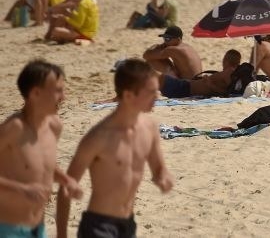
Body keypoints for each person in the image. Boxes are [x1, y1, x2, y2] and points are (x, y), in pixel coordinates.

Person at [57, 59, 173, 238]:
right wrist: (61, 235)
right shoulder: (98, 137)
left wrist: (163, 177)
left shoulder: (150, 128)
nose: (157, 96)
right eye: (151, 92)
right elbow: (66, 188)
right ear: (128, 96)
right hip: (99, 227)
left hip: (128, 225)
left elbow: (159, 168)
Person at [0, 60, 82, 237]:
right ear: (35, 93)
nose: (64, 97)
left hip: (38, 228)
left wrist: (66, 180)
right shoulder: (14, 128)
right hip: (7, 228)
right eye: (58, 91)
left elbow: (42, 164)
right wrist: (22, 189)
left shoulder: (54, 126)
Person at [158, 49, 242, 99]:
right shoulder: (231, 73)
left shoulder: (229, 72)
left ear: (225, 60)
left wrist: (210, 84)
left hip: (185, 89)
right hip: (186, 86)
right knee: (157, 78)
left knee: (157, 78)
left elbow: (228, 94)